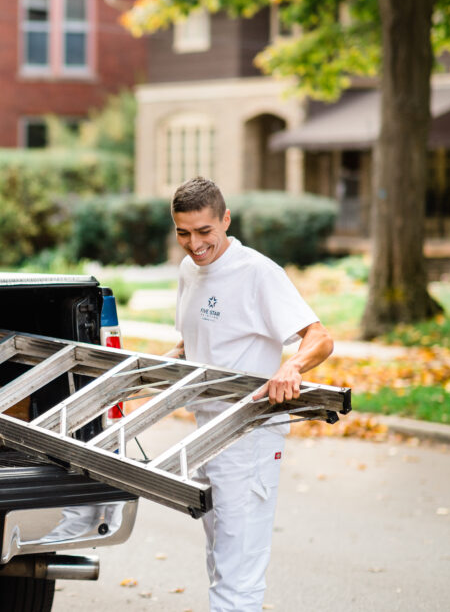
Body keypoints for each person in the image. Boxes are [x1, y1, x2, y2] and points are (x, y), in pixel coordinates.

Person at [165, 176, 333, 612]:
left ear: (225, 219)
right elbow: (191, 341)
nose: (194, 244)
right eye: (183, 232)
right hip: (207, 430)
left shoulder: (257, 272)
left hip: (250, 434)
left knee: (240, 563)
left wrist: (291, 366)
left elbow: (319, 337)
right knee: (220, 554)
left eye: (205, 231)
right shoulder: (188, 270)